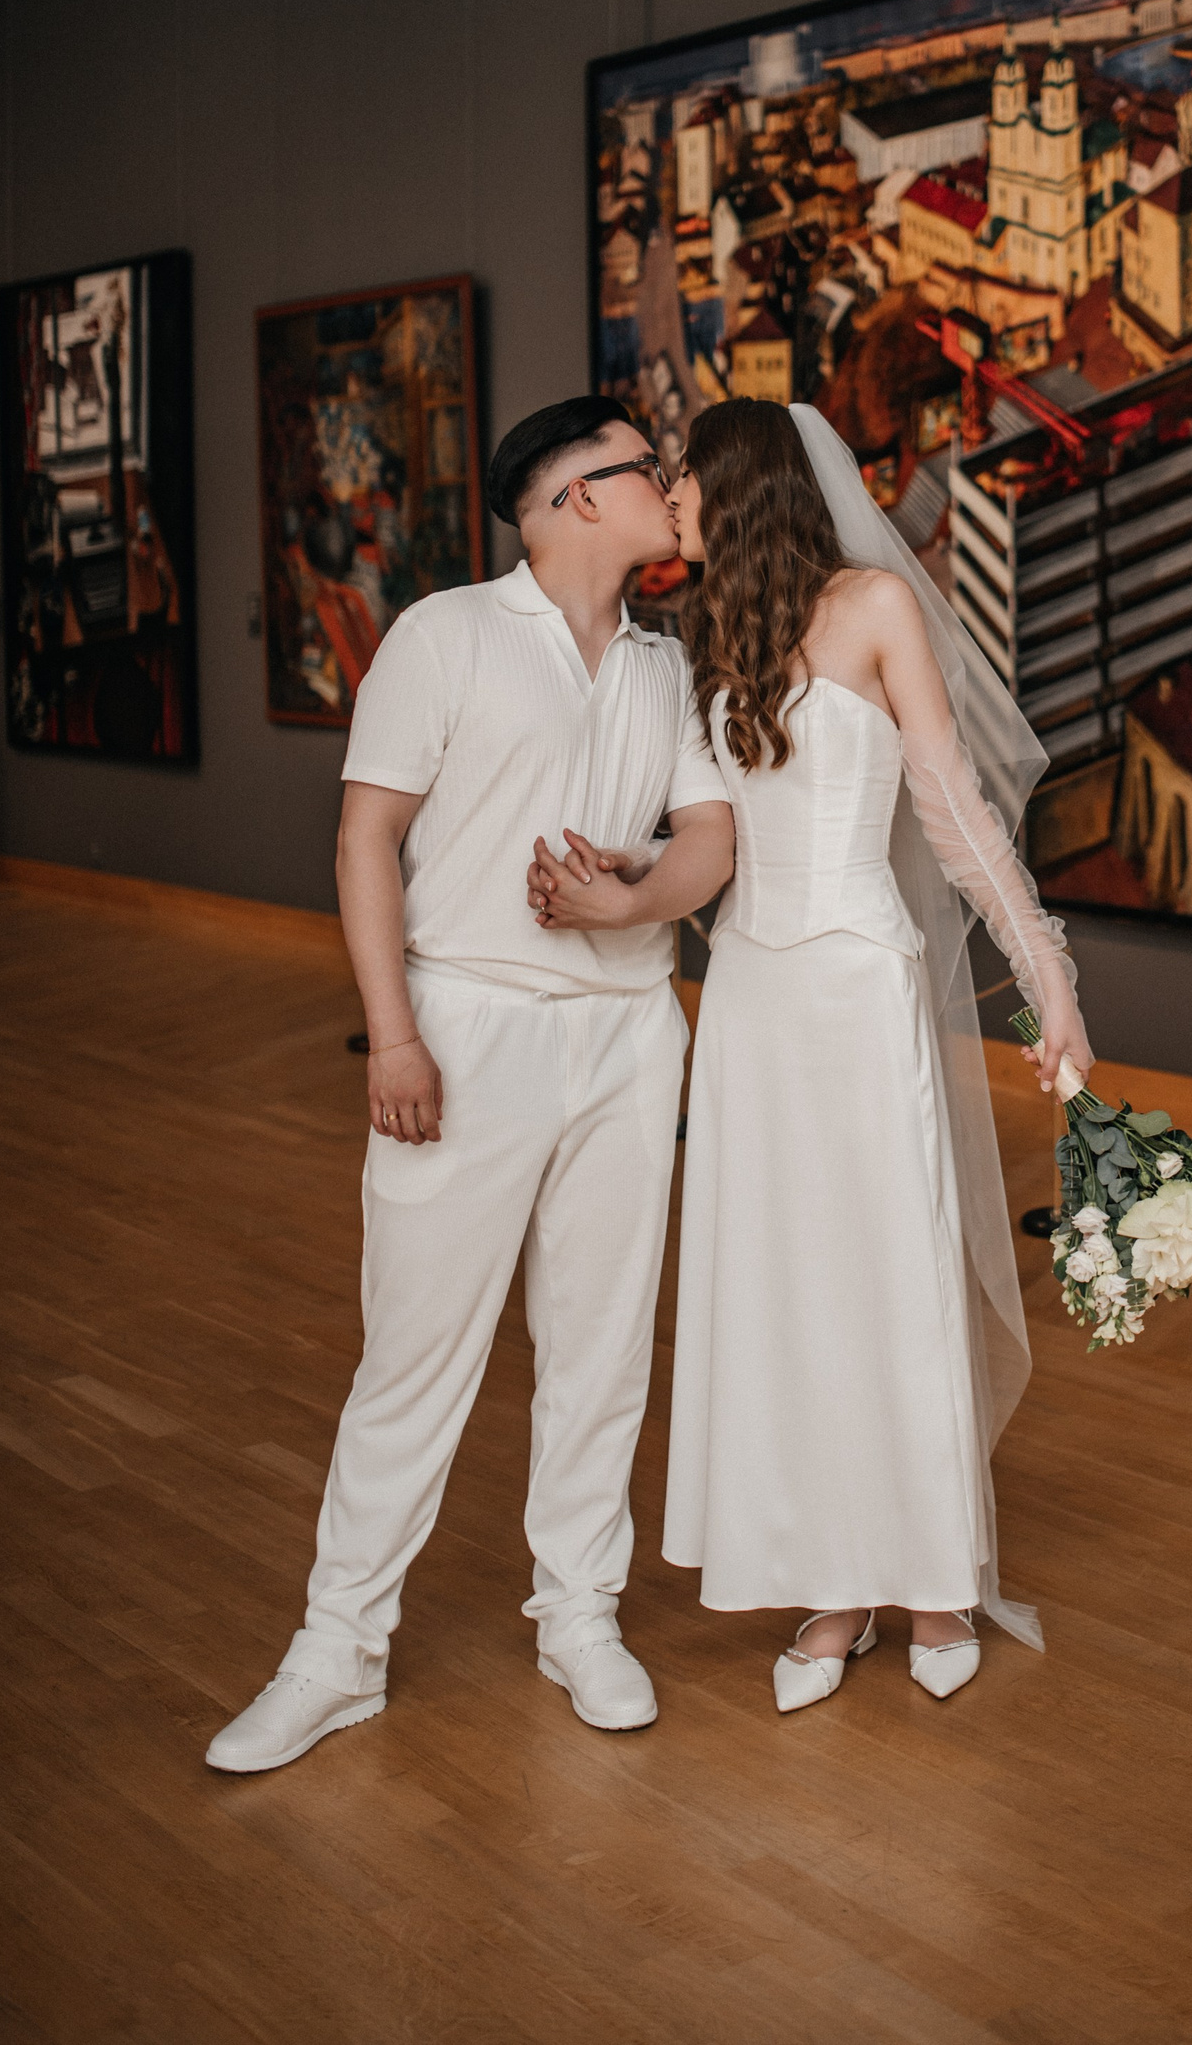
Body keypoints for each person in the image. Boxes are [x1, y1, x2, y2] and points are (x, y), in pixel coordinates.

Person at [529, 397, 1092, 1710]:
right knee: (783, 1293)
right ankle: (832, 1587)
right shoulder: (711, 637)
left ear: (740, 486)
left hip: (856, 991)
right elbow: (723, 838)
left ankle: (934, 1580)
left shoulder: (877, 609)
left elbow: (955, 815)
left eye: (682, 477)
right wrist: (626, 868)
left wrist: (1048, 980)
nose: (669, 496)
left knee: (888, 1280)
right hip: (751, 1004)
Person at [205, 399, 735, 1773]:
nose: (672, 483)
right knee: (415, 1353)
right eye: (649, 466)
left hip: (630, 1036)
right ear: (576, 496)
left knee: (602, 1348)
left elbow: (710, 841)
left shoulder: (667, 665)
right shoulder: (443, 634)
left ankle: (580, 1616)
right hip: (465, 1027)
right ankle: (336, 1651)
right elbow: (364, 839)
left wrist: (627, 900)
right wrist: (393, 1036)